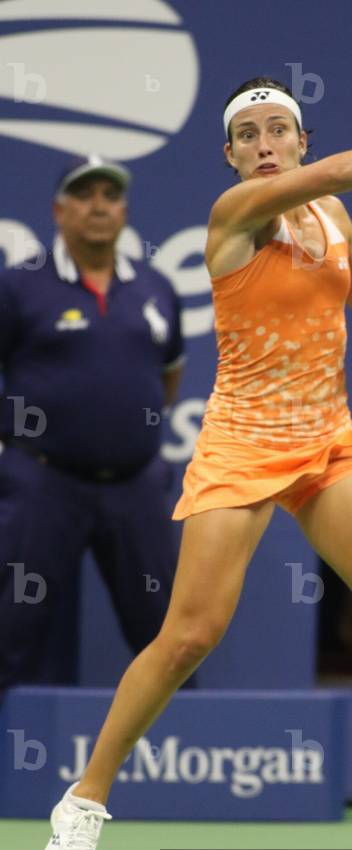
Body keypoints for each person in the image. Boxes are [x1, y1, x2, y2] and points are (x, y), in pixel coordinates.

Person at [41, 79, 352, 850]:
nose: (265, 145)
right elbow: (333, 173)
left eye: (280, 131)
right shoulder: (236, 214)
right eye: (249, 135)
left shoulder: (332, 219)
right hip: (243, 442)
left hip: (328, 442)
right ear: (229, 155)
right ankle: (84, 800)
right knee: (190, 635)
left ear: (300, 139)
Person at [0, 155, 193, 695]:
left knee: (169, 637)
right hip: (42, 482)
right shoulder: (19, 286)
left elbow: (169, 373)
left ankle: (184, 745)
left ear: (124, 211)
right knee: (11, 631)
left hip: (135, 487)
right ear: (59, 211)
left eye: (110, 195)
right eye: (84, 195)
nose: (99, 206)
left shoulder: (155, 287)